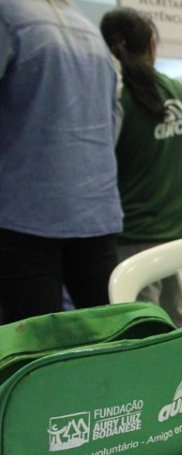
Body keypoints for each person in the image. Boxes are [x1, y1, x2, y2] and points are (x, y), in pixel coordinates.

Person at [0, 0, 124, 323]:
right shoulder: (88, 29)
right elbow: (112, 123)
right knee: (109, 339)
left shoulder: (8, 15)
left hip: (24, 215)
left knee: (31, 352)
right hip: (95, 210)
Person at [99, 7, 182, 326]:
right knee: (181, 322)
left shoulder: (115, 96)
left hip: (135, 237)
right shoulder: (179, 91)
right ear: (151, 45)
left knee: (144, 328)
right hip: (181, 232)